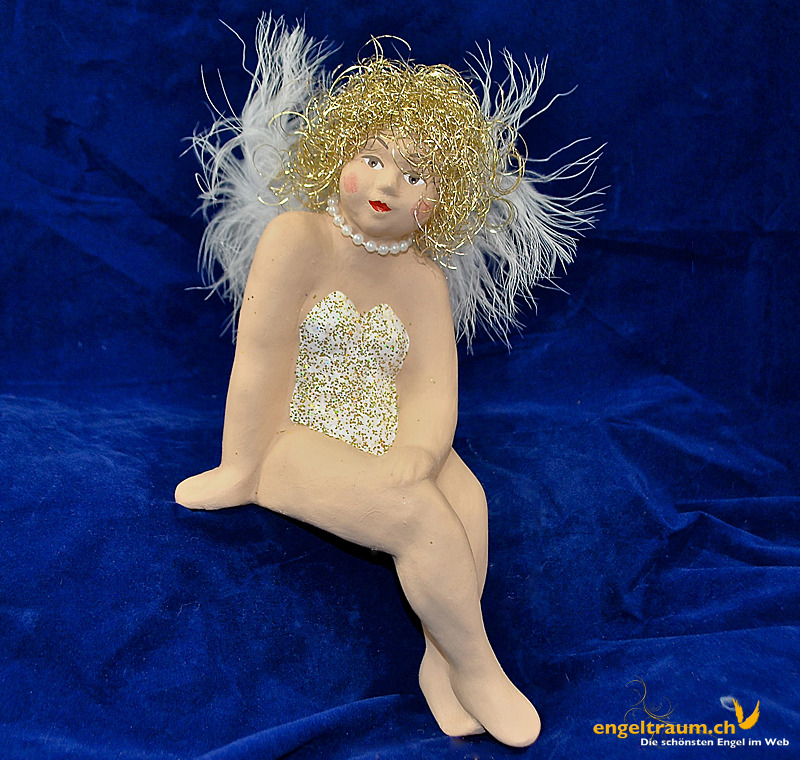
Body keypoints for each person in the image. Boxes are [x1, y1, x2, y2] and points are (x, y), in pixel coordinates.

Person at [176, 15, 600, 747]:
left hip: (385, 437)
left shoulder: (424, 278)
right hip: (295, 440)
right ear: (339, 154)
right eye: (372, 158)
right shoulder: (296, 239)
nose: (386, 183)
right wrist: (240, 468)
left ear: (440, 200)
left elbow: (432, 390)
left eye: (414, 175)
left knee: (469, 499)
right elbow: (261, 361)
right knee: (417, 512)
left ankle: (441, 660)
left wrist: (423, 450)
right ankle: (480, 668)